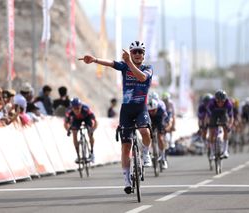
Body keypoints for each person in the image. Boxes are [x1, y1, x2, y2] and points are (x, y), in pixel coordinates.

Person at [80, 40, 153, 194]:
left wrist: (128, 62)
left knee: (145, 132)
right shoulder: (125, 66)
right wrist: (94, 60)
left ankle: (146, 153)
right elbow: (111, 63)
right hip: (126, 110)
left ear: (144, 55)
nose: (138, 54)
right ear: (131, 54)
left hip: (141, 109)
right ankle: (126, 179)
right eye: (135, 52)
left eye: (140, 52)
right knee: (126, 147)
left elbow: (141, 78)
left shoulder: (148, 68)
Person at [64, 98, 97, 163]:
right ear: (72, 108)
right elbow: (65, 123)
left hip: (86, 118)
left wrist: (93, 129)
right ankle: (78, 155)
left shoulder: (86, 109)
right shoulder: (69, 112)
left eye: (78, 108)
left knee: (90, 133)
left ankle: (92, 152)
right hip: (76, 120)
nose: (77, 110)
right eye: (75, 108)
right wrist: (68, 130)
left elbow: (95, 121)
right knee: (74, 133)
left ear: (81, 106)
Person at [207, 89, 234, 159]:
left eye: (222, 101)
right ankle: (212, 152)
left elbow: (231, 117)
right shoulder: (211, 103)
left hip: (223, 114)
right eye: (218, 101)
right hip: (213, 114)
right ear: (215, 100)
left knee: (225, 129)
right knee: (211, 132)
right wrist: (208, 124)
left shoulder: (228, 104)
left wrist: (230, 126)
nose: (220, 103)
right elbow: (208, 116)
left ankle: (225, 151)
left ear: (225, 100)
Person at [148, 98, 171, 169]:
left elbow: (166, 120)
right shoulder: (147, 111)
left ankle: (163, 158)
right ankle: (151, 152)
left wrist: (166, 127)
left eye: (153, 110)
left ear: (157, 108)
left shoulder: (161, 111)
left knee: (160, 137)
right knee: (148, 136)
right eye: (150, 111)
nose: (152, 112)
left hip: (159, 121)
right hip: (151, 121)